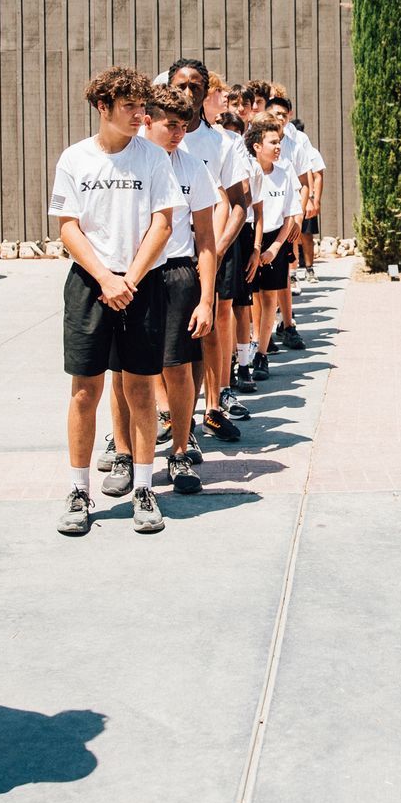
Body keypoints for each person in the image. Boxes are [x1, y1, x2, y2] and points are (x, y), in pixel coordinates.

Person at [51, 66, 182, 536]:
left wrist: (131, 278)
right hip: (91, 284)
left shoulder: (152, 159)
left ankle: (144, 488)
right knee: (85, 389)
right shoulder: (75, 159)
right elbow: (68, 227)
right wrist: (106, 277)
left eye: (143, 107)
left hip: (142, 284)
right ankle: (79, 490)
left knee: (141, 388)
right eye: (129, 107)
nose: (139, 116)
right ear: (102, 107)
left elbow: (163, 224)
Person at [138, 82, 220, 495]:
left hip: (177, 273)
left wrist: (207, 298)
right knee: (127, 371)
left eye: (184, 127)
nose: (178, 134)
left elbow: (205, 239)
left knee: (178, 367)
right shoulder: (128, 162)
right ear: (146, 120)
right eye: (170, 125)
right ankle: (126, 452)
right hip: (132, 275)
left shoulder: (192, 168)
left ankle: (181, 453)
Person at [171, 62, 253, 442]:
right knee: (166, 336)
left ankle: (213, 408)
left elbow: (239, 202)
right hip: (163, 254)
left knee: (211, 326)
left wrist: (217, 249)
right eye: (180, 86)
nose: (188, 94)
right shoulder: (152, 136)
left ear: (206, 91)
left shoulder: (224, 142)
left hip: (207, 248)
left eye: (195, 86)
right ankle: (170, 414)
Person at [245, 117, 304, 378]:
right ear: (257, 146)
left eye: (279, 142)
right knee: (247, 300)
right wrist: (256, 248)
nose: (278, 147)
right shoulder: (246, 172)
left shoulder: (284, 172)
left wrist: (275, 248)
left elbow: (290, 215)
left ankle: (262, 353)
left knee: (269, 298)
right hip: (249, 238)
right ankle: (244, 351)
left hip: (274, 242)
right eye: (272, 142)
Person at [263, 93, 320, 346]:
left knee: (283, 275)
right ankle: (261, 335)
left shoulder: (295, 146)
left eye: (284, 115)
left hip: (284, 219)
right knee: (257, 284)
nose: (280, 119)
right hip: (262, 220)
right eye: (275, 114)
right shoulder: (256, 141)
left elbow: (305, 182)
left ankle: (287, 325)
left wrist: (298, 214)